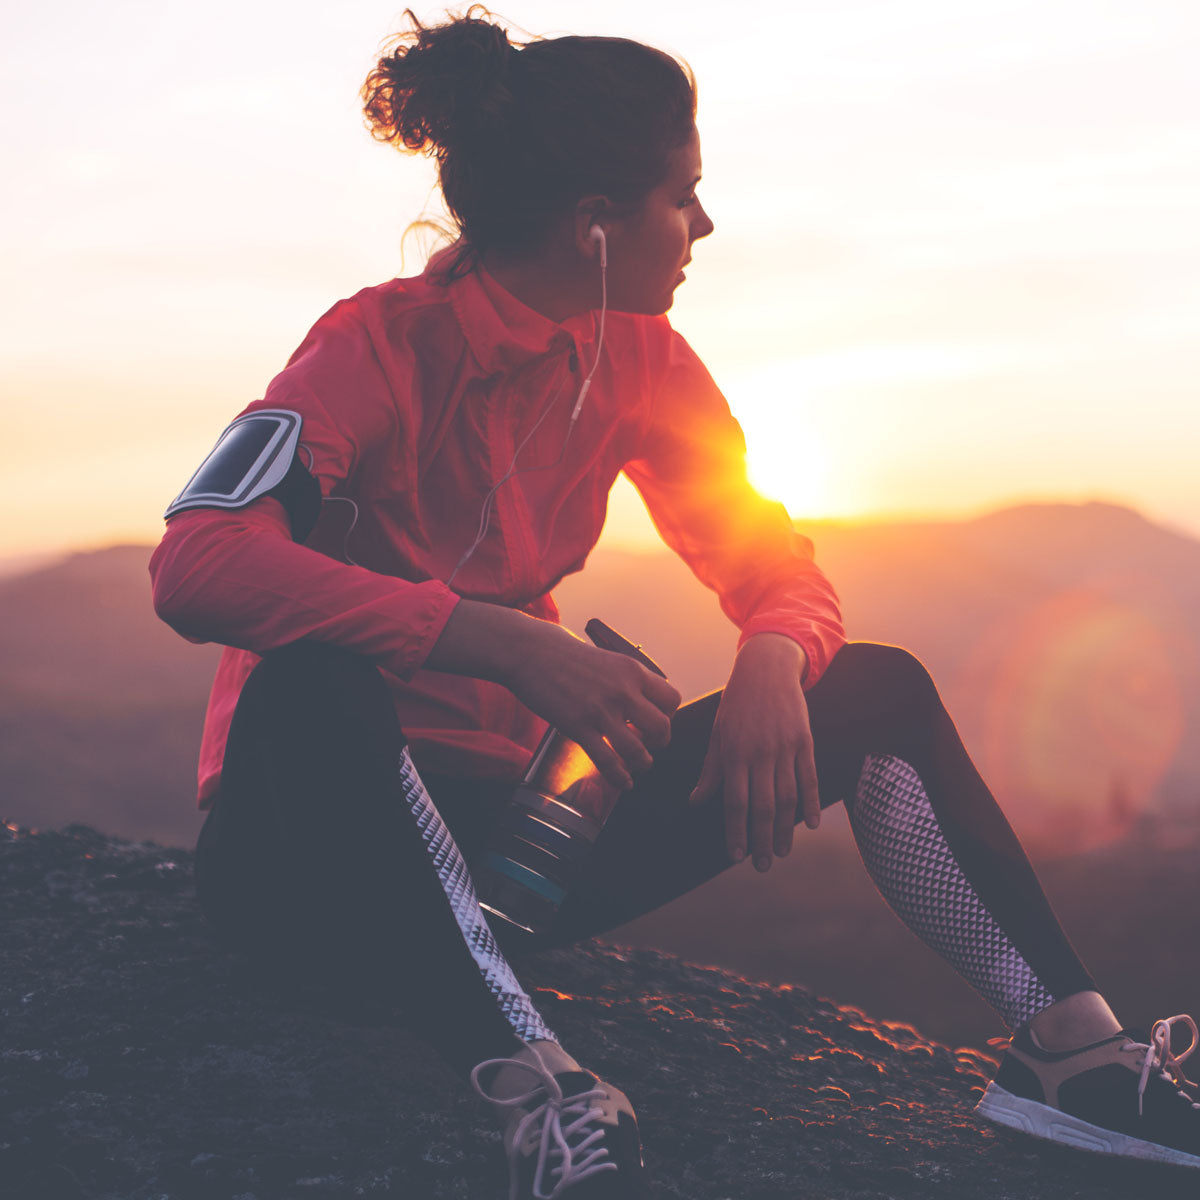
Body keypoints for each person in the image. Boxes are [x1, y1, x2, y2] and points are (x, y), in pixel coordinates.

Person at [149, 9, 1200, 1198]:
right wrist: (496, 644)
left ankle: (1073, 1057)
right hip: (314, 861)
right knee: (313, 682)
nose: (704, 225)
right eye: (683, 196)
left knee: (879, 689)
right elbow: (197, 563)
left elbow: (774, 561)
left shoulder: (643, 357)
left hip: (514, 857)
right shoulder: (371, 349)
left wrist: (775, 657)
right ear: (596, 224)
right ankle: (539, 1092)